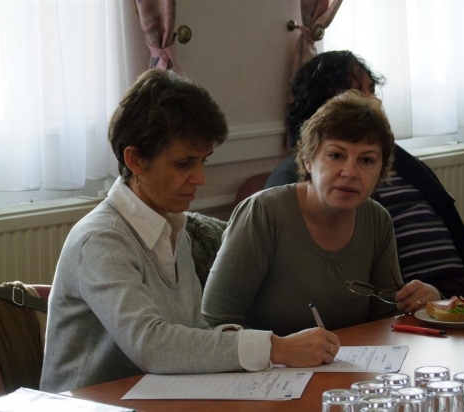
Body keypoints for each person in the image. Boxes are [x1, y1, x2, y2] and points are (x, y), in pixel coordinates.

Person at [40, 69, 340, 393]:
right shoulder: (100, 240)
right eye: (184, 164)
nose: (200, 178)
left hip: (154, 396)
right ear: (135, 160)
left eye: (202, 161)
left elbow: (192, 331)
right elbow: (150, 344)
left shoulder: (172, 225)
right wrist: (275, 348)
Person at [264, 50, 464, 299]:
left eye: (371, 90)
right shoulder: (298, 176)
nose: (372, 100)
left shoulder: (401, 160)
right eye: (356, 91)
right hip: (413, 297)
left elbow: (458, 243)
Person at [202, 90, 441, 336]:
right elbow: (215, 320)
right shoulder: (264, 213)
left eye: (367, 160)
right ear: (308, 160)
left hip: (354, 358)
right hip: (270, 360)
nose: (350, 172)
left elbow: (386, 319)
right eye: (336, 156)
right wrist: (279, 349)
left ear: (381, 170)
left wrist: (425, 304)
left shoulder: (377, 219)